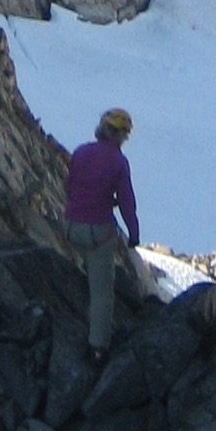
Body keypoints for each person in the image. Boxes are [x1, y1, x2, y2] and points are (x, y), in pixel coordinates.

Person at [64, 107, 139, 358]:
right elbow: (127, 202)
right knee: (101, 294)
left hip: (71, 227)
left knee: (81, 274)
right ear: (119, 134)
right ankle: (98, 349)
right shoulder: (119, 162)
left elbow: (72, 187)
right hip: (98, 234)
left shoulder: (81, 152)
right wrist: (134, 234)